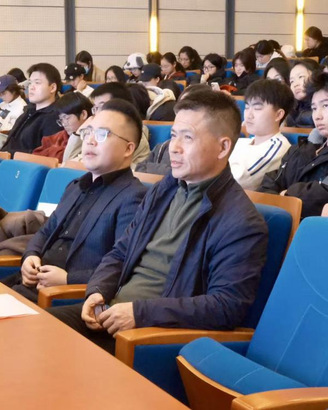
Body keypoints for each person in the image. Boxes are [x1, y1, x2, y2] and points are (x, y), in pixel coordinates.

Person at [49, 89, 268, 353]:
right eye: (173, 135)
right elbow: (121, 251)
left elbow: (226, 306)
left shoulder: (241, 220)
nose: (174, 147)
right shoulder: (165, 189)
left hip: (151, 335)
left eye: (188, 137)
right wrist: (98, 290)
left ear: (223, 147)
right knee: (32, 329)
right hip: (112, 313)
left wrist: (139, 314)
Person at [13, 99, 147, 303]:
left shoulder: (133, 197)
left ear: (128, 149)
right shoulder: (75, 186)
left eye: (102, 134)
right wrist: (31, 255)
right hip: (31, 285)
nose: (90, 141)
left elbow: (121, 265)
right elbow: (46, 231)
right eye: (87, 132)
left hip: (68, 298)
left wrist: (68, 279)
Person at [259, 71, 328, 218]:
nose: (317, 116)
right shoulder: (302, 147)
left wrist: (287, 195)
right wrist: (280, 199)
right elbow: (271, 181)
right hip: (281, 221)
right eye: (314, 108)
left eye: (326, 106)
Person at [63, 82, 151, 167]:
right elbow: (67, 163)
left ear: (122, 106)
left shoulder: (129, 135)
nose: (97, 113)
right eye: (95, 108)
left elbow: (103, 166)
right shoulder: (96, 131)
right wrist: (79, 132)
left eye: (102, 106)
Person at [230, 79, 294, 190]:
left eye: (257, 108)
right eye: (247, 107)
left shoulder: (278, 147)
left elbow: (237, 180)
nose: (248, 115)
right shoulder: (241, 142)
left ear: (278, 115)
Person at [135, 84, 208, 175]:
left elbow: (192, 175)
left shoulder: (207, 150)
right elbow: (140, 168)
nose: (174, 149)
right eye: (181, 107)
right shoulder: (163, 147)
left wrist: (157, 168)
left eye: (191, 108)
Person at [0, 63, 63, 155]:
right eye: (30, 83)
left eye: (37, 83)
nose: (31, 87)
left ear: (52, 88)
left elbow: (45, 155)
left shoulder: (55, 117)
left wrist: (8, 154)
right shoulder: (28, 111)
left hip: (22, 162)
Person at [32, 92, 92, 161]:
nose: (64, 124)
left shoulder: (92, 139)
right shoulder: (59, 136)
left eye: (67, 118)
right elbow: (35, 156)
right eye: (61, 120)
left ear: (83, 114)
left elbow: (67, 162)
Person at [285, 59, 320, 128]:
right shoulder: (291, 110)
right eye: (292, 81)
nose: (295, 84)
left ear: (316, 76)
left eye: (300, 77)